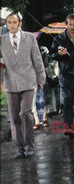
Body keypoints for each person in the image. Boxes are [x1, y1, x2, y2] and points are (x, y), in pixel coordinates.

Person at [0, 13, 45, 158]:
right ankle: (19, 147)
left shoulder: (30, 38)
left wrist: (41, 78)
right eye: (9, 22)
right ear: (6, 24)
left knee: (25, 113)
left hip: (28, 80)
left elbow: (37, 58)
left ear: (20, 23)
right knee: (14, 117)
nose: (12, 25)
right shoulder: (1, 40)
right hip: (10, 83)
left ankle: (29, 145)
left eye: (14, 22)